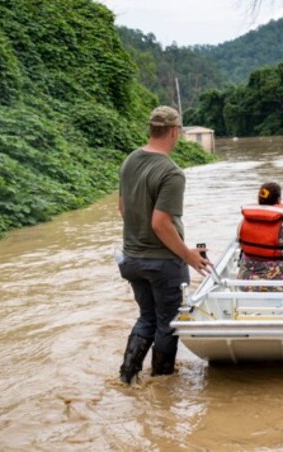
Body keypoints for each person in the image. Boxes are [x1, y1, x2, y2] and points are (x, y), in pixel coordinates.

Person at [117, 105, 212, 385]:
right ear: (174, 132)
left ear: (151, 129)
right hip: (163, 262)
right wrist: (190, 256)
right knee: (169, 324)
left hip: (132, 258)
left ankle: (126, 377)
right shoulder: (171, 173)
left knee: (147, 317)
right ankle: (162, 384)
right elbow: (161, 223)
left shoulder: (130, 161)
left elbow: (123, 208)